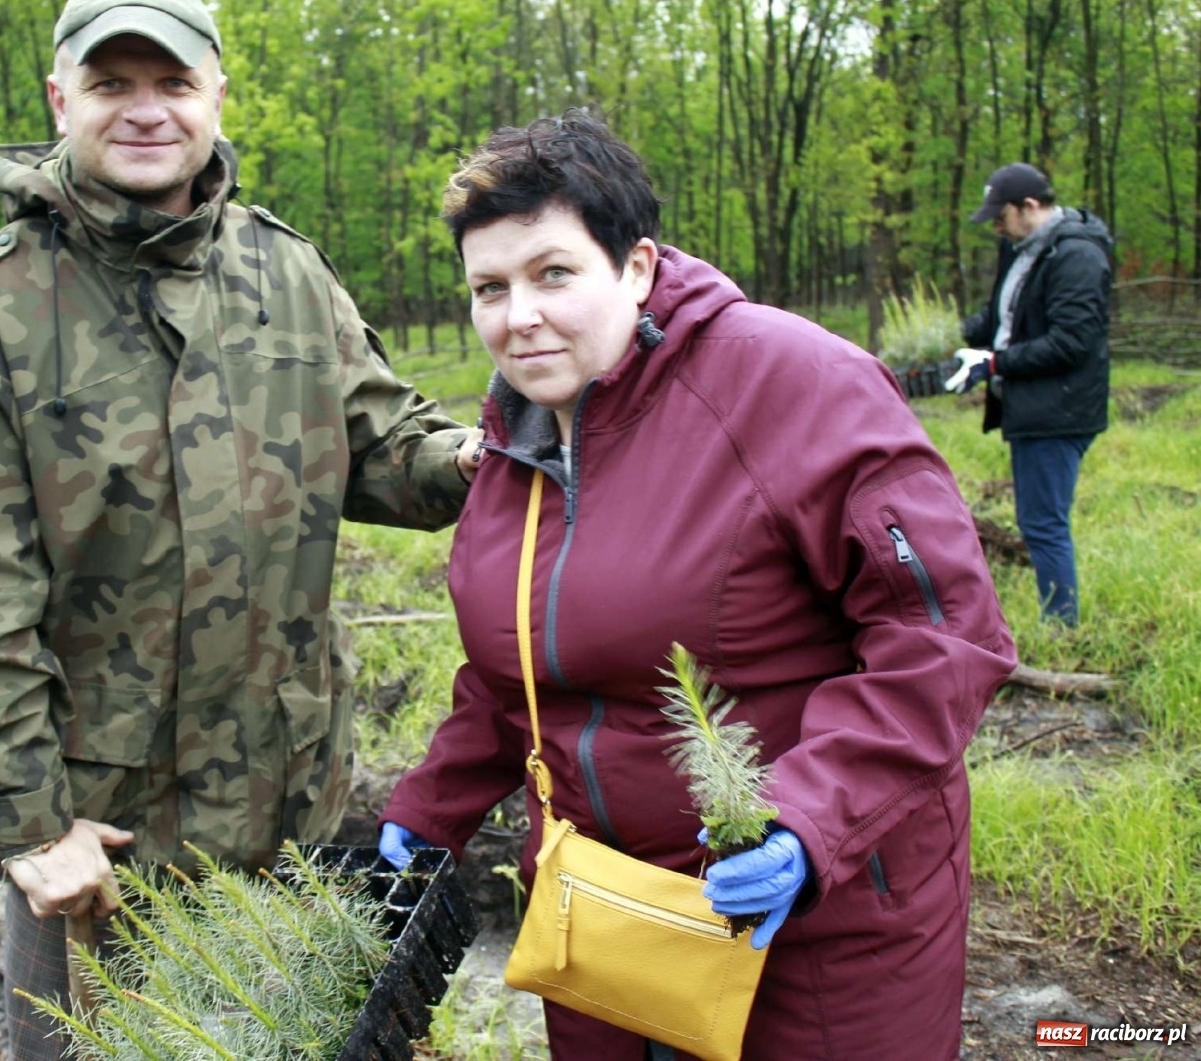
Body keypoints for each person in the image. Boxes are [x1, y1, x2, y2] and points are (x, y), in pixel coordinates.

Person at [0, 0, 480, 1057]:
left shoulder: (286, 273)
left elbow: (388, 452)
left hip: (283, 808)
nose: (145, 111)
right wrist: (33, 825)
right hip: (101, 846)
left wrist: (489, 455)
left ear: (215, 91)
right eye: (112, 84)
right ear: (58, 97)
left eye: (171, 82)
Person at [378, 113, 1017, 1061]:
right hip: (603, 912)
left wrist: (810, 820)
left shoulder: (793, 384)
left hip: (809, 919)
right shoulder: (514, 437)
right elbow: (516, 666)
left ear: (635, 267)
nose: (520, 315)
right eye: (489, 287)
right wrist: (429, 813)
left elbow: (943, 632)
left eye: (554, 273)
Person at [945, 161, 1113, 627]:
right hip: (1031, 406)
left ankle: (1060, 626)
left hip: (1060, 409)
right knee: (1037, 518)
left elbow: (1071, 343)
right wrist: (953, 337)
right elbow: (1000, 317)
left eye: (1001, 216)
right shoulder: (1020, 248)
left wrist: (995, 363)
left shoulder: (1076, 257)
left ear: (1030, 206)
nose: (996, 226)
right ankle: (1058, 617)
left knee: (1043, 522)